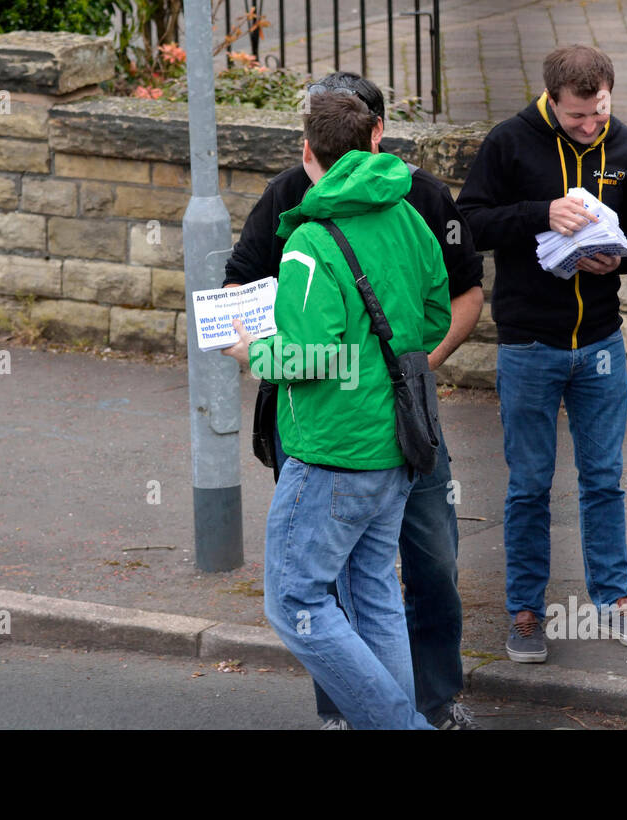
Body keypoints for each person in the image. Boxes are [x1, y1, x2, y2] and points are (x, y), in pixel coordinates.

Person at [223, 71, 484, 729]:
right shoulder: (407, 213)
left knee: (295, 603)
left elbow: (310, 357)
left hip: (334, 449)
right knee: (372, 596)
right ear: (374, 139)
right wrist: (375, 359)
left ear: (307, 153)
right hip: (400, 442)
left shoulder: (309, 242)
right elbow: (430, 321)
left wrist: (253, 352)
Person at [457, 44, 627, 662]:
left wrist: (625, 250)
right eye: (578, 115)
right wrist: (539, 213)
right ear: (552, 98)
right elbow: (467, 222)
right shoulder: (509, 142)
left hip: (601, 341)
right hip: (528, 345)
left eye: (599, 111)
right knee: (528, 485)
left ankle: (614, 601)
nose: (590, 124)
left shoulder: (626, 146)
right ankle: (525, 612)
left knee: (604, 479)